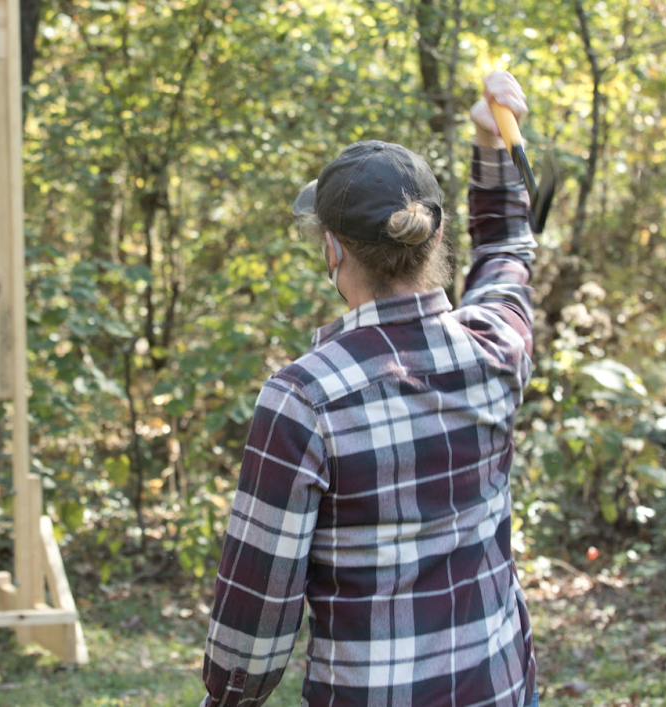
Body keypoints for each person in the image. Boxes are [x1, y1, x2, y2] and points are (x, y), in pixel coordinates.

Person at [199, 71, 538, 707]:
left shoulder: (304, 399)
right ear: (436, 236)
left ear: (332, 250)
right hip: (499, 688)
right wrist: (492, 143)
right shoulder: (497, 348)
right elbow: (507, 253)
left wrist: (228, 697)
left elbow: (255, 627)